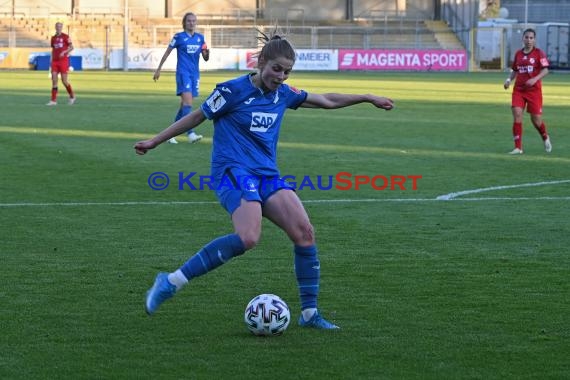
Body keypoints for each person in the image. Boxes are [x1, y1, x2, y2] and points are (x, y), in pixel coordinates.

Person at [134, 30, 394, 330]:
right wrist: (155, 141)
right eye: (276, 69)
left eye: (287, 71)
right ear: (261, 62)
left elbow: (326, 100)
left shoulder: (283, 94)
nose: (281, 76)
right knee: (248, 237)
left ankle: (310, 315)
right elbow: (197, 117)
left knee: (304, 233)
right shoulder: (232, 91)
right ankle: (170, 282)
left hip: (267, 175)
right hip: (232, 171)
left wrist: (367, 97)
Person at [153, 12, 209, 144]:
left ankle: (169, 135)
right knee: (188, 104)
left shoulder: (200, 38)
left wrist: (206, 54)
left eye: (194, 21)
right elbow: (167, 52)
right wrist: (158, 69)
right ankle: (190, 133)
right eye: (189, 21)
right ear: (184, 23)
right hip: (183, 74)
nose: (192, 23)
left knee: (184, 105)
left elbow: (205, 58)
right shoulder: (178, 37)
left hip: (195, 74)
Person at [504, 28, 552, 154]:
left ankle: (545, 136)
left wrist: (535, 79)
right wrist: (509, 80)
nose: (529, 40)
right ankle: (518, 148)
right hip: (519, 90)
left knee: (536, 120)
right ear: (523, 39)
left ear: (534, 40)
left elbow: (546, 70)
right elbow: (515, 70)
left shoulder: (539, 53)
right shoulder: (518, 54)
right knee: (517, 114)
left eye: (531, 38)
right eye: (527, 37)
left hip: (534, 91)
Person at [46, 22, 76, 106]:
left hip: (63, 61)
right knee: (54, 81)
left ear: (62, 27)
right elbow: (53, 49)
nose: (58, 28)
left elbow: (72, 47)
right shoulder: (53, 38)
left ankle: (72, 96)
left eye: (60, 26)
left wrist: (64, 52)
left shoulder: (66, 37)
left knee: (64, 81)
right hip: (55, 62)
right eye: (57, 26)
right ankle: (53, 101)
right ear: (55, 27)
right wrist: (51, 60)